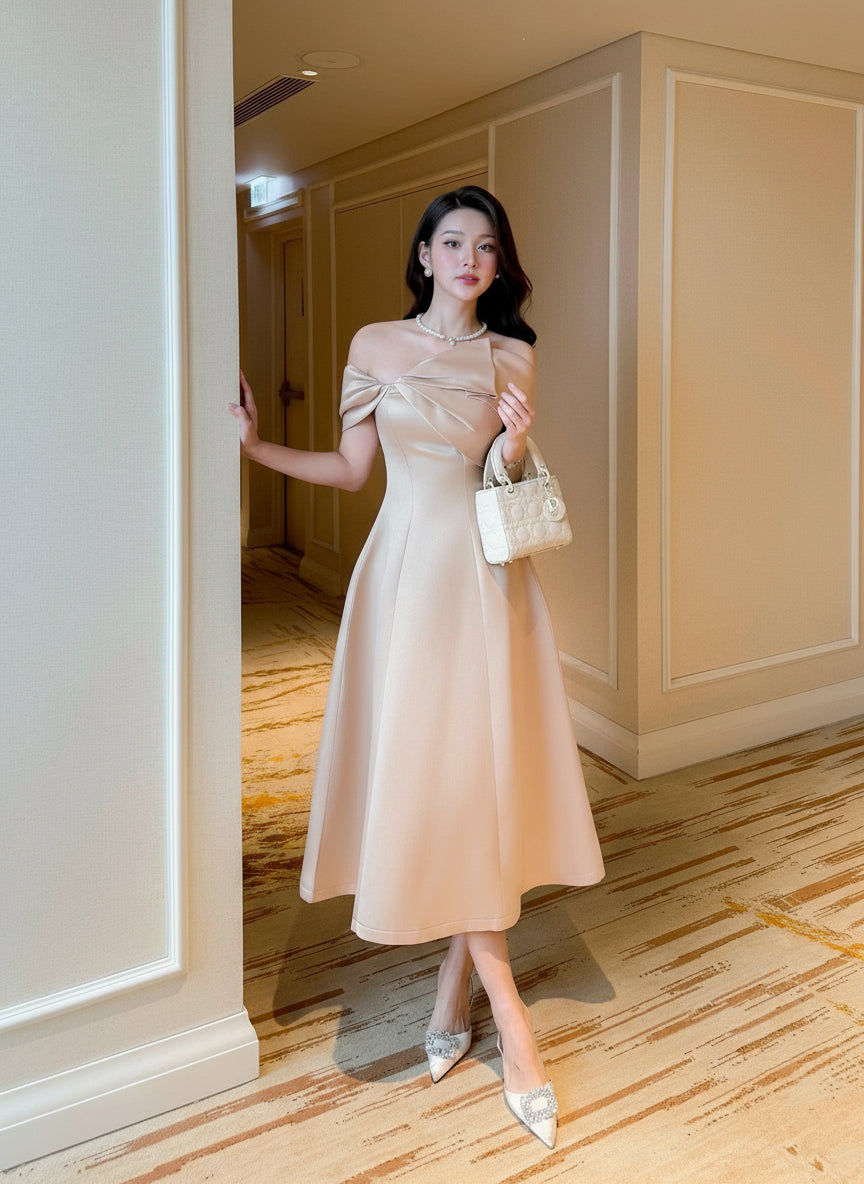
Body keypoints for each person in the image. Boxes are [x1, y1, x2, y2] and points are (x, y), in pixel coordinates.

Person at [229, 185, 604, 1150]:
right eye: (453, 242)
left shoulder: (514, 355)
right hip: (402, 580)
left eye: (487, 245)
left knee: (473, 779)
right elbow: (356, 473)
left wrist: (516, 446)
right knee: (429, 777)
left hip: (485, 585)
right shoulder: (373, 346)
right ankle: (504, 1015)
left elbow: (507, 486)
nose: (470, 258)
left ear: (497, 263)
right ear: (426, 255)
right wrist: (258, 446)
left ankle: (463, 993)